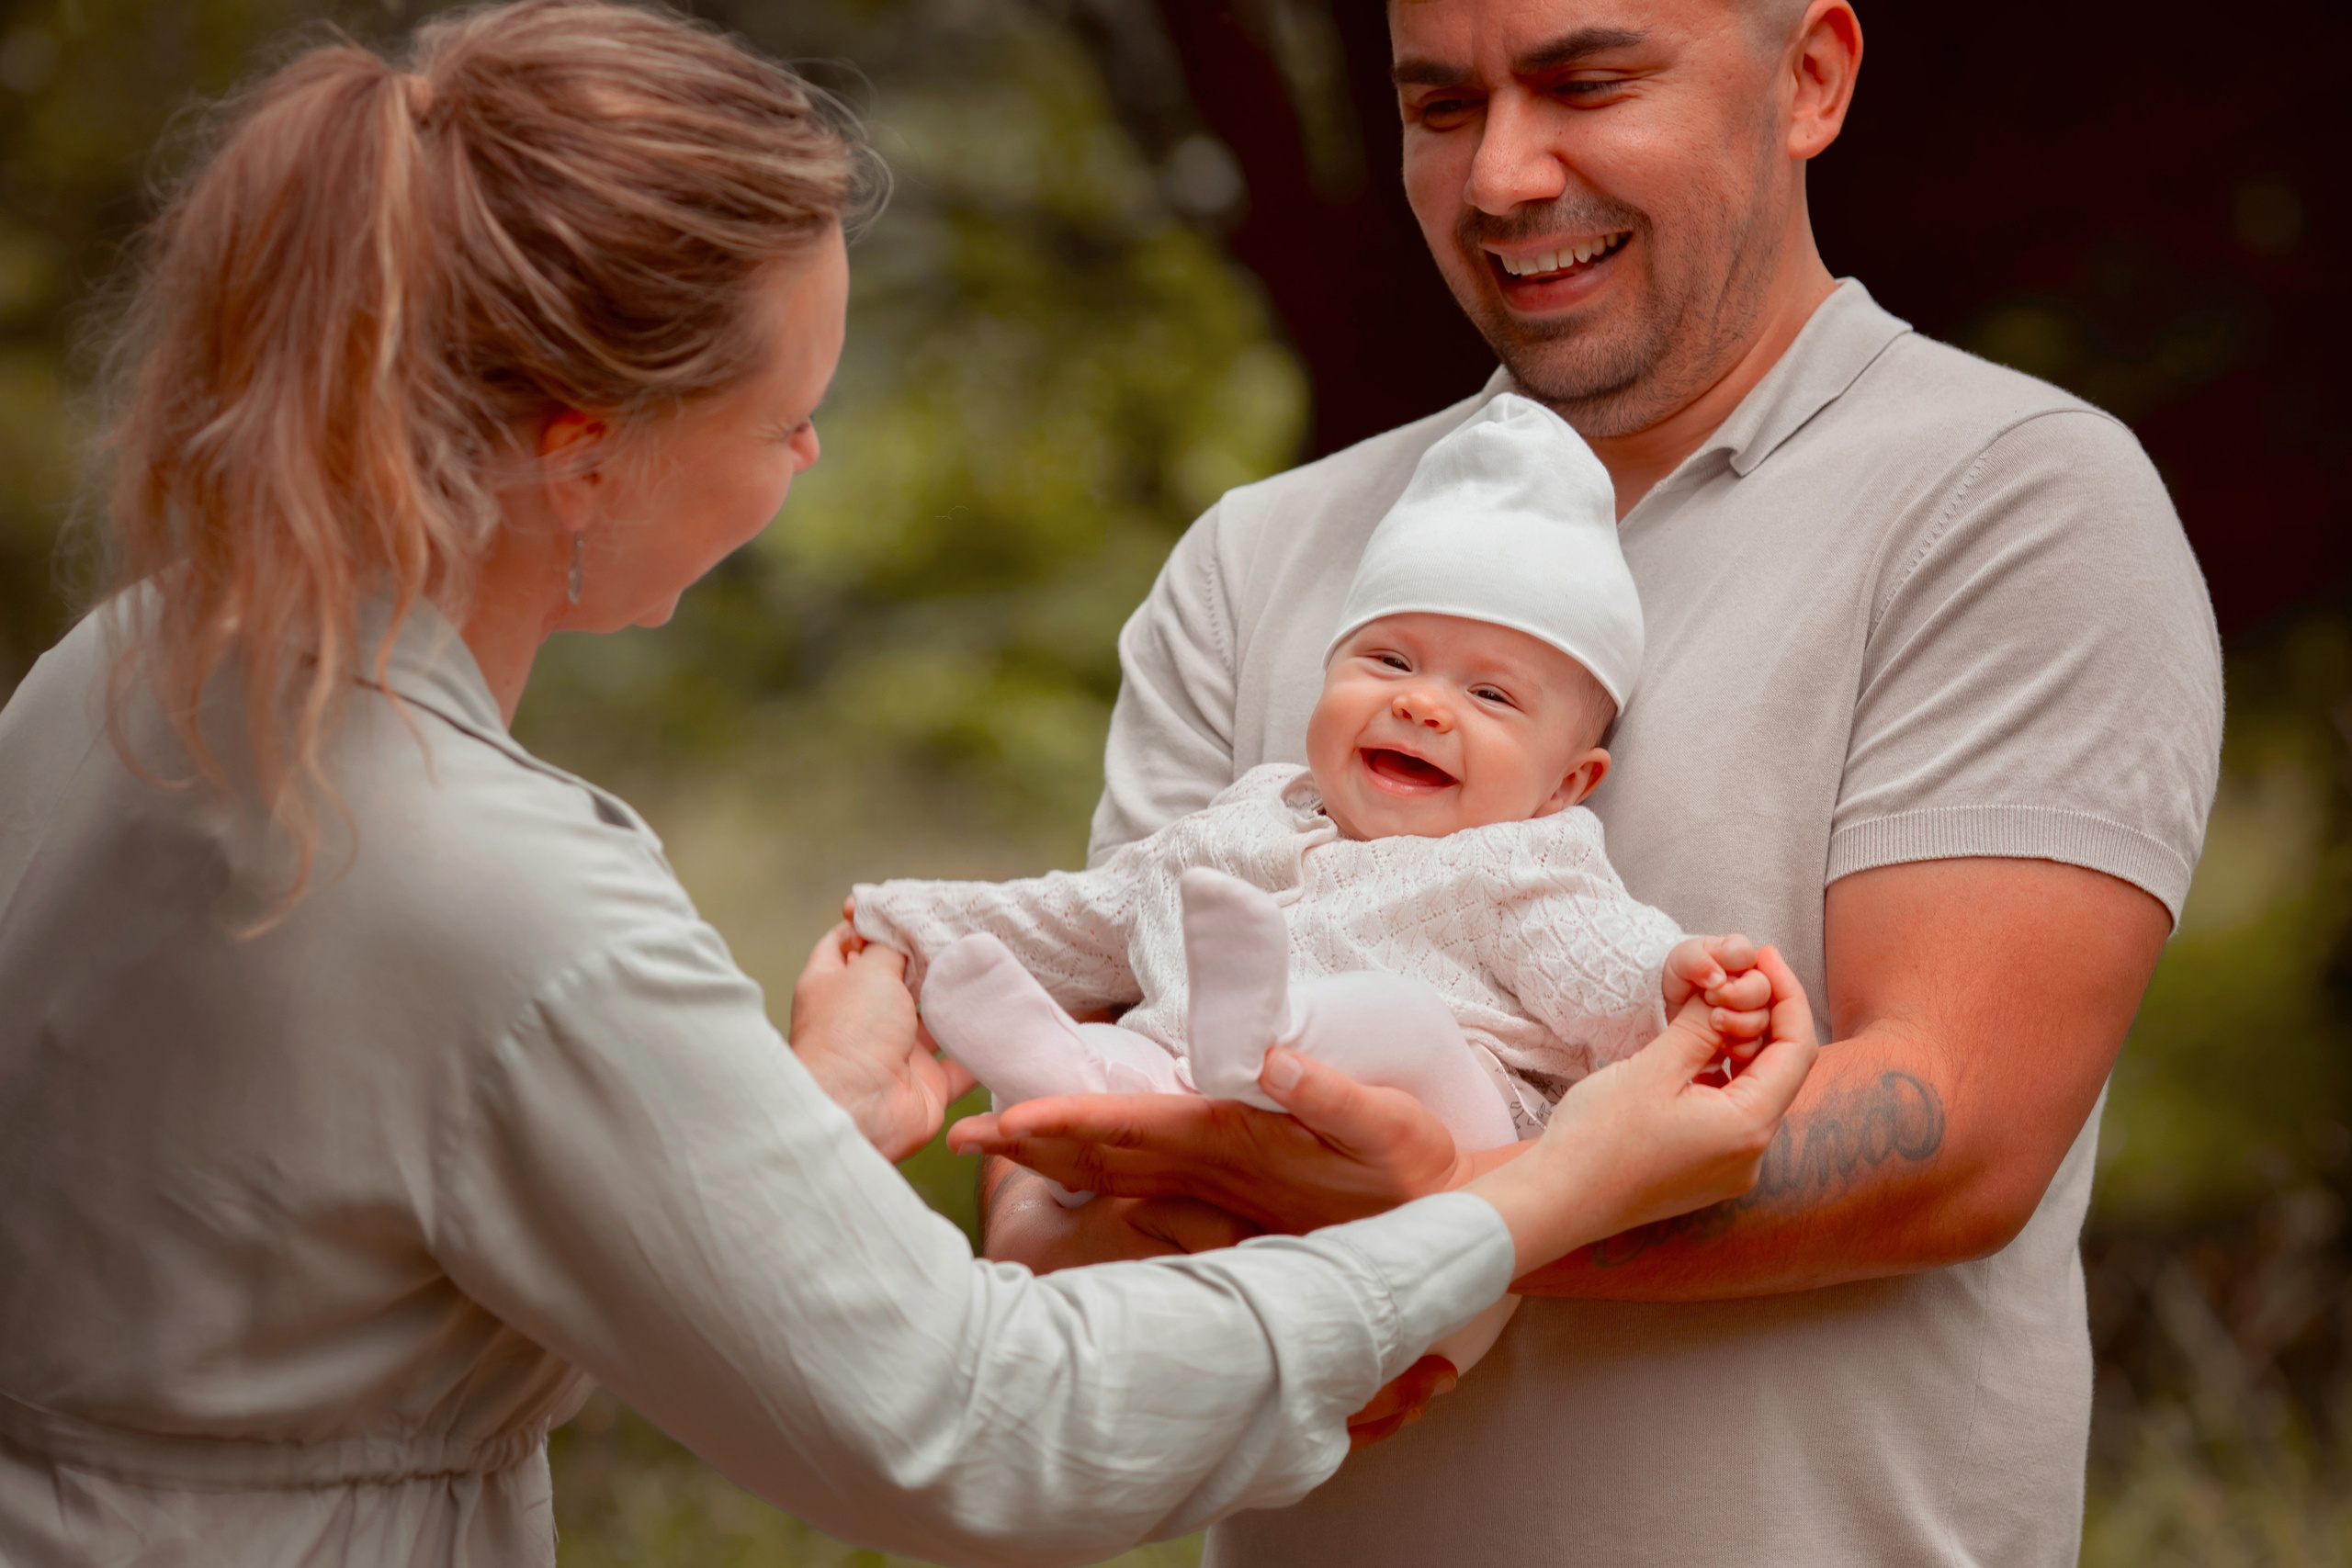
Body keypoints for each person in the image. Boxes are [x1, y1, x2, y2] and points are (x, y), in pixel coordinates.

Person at [0, 6, 1821, 1566]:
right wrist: (1540, 1191)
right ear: (583, 452)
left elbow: (340, 1201)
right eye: (786, 419)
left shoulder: (137, 664)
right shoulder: (492, 889)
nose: (805, 460)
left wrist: (779, 1119)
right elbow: (971, 1420)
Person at [956, 0, 2224, 1562]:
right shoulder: (1258, 554)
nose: (1500, 175)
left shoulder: (2014, 500)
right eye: (1440, 107)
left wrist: (1428, 1216)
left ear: (1812, 78)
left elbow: (1955, 1132)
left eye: (1588, 82)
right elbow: (1064, 1174)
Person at [855, 392, 1780, 1374]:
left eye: (1489, 695)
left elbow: (1599, 966)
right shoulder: (1229, 834)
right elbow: (1085, 913)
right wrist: (904, 926)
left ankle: (1268, 1030)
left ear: (1566, 782)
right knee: (1120, 1044)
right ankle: (1062, 1076)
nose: (1420, 703)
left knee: (1400, 1020)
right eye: (1388, 660)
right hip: (1228, 1196)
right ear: (1327, 679)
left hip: (1448, 1210)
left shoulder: (1520, 863)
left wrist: (1676, 973)